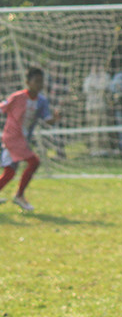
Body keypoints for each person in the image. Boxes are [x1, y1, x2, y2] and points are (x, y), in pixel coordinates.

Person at [0, 68, 57, 212]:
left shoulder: (42, 101)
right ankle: (19, 196)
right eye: (36, 81)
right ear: (27, 82)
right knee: (34, 161)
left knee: (10, 172)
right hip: (12, 137)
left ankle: (19, 196)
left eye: (41, 81)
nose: (40, 84)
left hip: (23, 139)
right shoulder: (17, 97)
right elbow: (2, 108)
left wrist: (55, 118)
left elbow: (47, 119)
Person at [83, 63, 111, 155]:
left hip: (102, 107)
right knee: (93, 129)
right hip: (91, 108)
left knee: (103, 129)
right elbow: (86, 89)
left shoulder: (105, 77)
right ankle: (95, 149)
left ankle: (104, 149)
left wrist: (95, 87)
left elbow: (105, 87)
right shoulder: (88, 78)